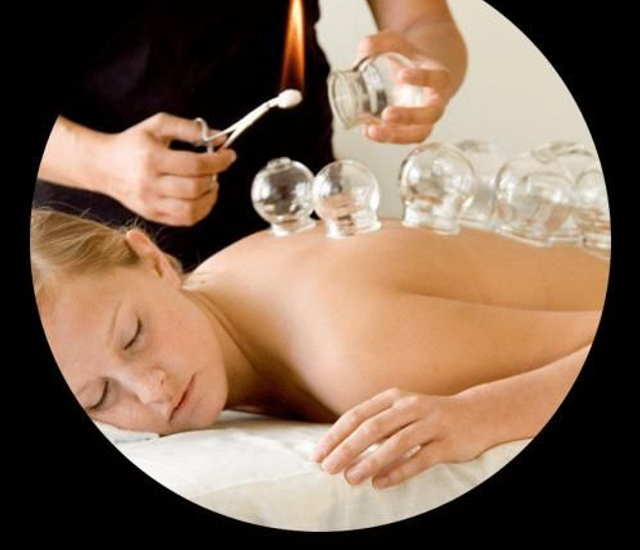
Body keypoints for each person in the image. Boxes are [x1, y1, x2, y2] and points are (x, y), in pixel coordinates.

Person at [31, 208, 608, 490]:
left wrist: (478, 415)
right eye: (100, 397)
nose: (150, 390)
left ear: (154, 260)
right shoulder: (222, 293)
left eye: (134, 335)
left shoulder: (352, 347)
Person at [34, 0, 468, 269]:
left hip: (304, 217)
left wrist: (423, 71)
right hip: (97, 248)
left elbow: (425, 22)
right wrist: (99, 164)